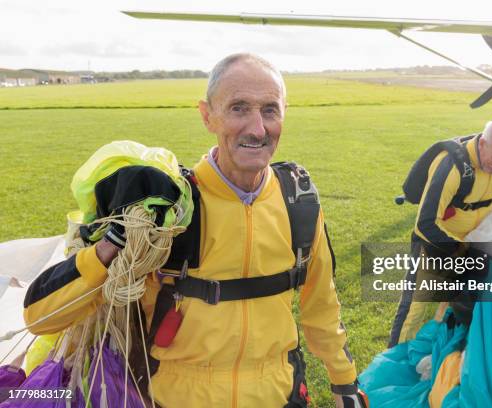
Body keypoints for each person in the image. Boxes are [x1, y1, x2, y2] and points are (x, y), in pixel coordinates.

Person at [22, 53, 365, 408]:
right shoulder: (165, 213)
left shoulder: (299, 204)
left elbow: (322, 305)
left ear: (284, 113)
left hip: (278, 396)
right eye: (238, 108)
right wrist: (112, 244)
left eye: (269, 110)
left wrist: (344, 383)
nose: (257, 129)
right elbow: (39, 316)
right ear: (207, 115)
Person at [388, 118, 492, 347]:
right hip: (437, 244)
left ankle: (443, 359)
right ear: (482, 143)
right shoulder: (452, 165)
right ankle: (394, 360)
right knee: (415, 307)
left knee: (462, 306)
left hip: (474, 244)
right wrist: (464, 252)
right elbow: (425, 224)